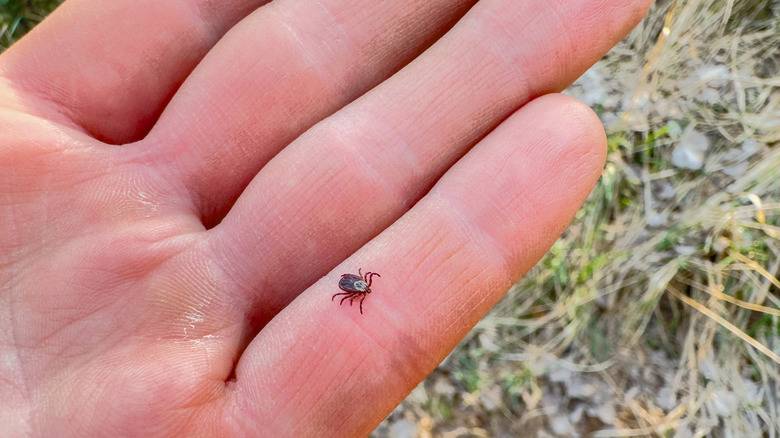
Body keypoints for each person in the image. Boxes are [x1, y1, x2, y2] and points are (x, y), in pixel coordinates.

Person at [0, 0, 651, 435]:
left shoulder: (355, 286)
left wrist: (360, 287)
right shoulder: (358, 288)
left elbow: (355, 289)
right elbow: (357, 291)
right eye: (362, 286)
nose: (361, 286)